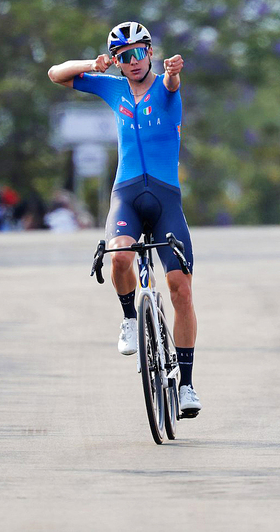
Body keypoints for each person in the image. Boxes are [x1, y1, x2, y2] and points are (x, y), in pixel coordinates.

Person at [47, 22, 200, 418]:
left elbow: (171, 85)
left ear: (150, 52)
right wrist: (93, 64)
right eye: (124, 56)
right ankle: (130, 318)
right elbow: (55, 74)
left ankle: (186, 385)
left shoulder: (166, 86)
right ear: (116, 60)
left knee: (180, 290)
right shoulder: (112, 87)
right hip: (127, 195)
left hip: (165, 200)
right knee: (118, 257)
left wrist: (173, 72)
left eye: (139, 52)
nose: (133, 61)